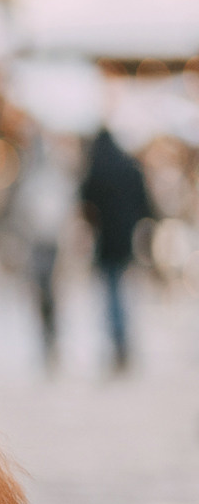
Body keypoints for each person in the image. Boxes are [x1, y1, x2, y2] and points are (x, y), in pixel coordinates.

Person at [0, 129, 76, 373]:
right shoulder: (46, 179)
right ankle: (48, 341)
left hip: (47, 244)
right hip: (43, 244)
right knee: (44, 295)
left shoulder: (45, 179)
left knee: (47, 295)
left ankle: (51, 341)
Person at [78, 125, 156, 373]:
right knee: (122, 290)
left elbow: (85, 201)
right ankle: (123, 341)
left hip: (106, 241)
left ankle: (118, 342)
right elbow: (144, 203)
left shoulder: (96, 169)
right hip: (126, 239)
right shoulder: (128, 166)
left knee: (112, 292)